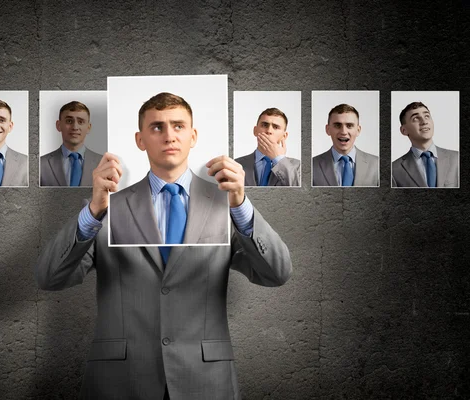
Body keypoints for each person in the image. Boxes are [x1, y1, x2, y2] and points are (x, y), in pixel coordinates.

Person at [35, 92, 292, 399]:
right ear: (140, 139)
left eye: (178, 126)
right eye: (157, 127)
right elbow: (49, 277)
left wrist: (241, 206)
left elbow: (277, 273)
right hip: (120, 382)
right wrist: (92, 211)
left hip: (206, 380)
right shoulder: (106, 208)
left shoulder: (226, 207)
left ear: (193, 135)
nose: (169, 135)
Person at [392, 101, 459, 188]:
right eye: (416, 118)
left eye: (427, 116)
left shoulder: (457, 159)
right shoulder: (394, 170)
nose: (424, 122)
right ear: (404, 130)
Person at [312, 104, 379, 187]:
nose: (343, 131)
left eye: (349, 126)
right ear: (328, 129)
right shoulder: (311, 165)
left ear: (358, 130)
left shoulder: (377, 164)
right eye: (337, 125)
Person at [40, 101, 103, 186]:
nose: (75, 127)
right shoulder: (41, 163)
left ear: (88, 127)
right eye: (69, 121)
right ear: (58, 125)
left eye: (80, 122)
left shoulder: (103, 163)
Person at [235, 107, 300, 186]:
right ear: (255, 131)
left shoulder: (298, 166)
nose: (269, 131)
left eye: (276, 127)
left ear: (284, 136)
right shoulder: (235, 164)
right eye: (264, 125)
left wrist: (279, 159)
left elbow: (302, 194)